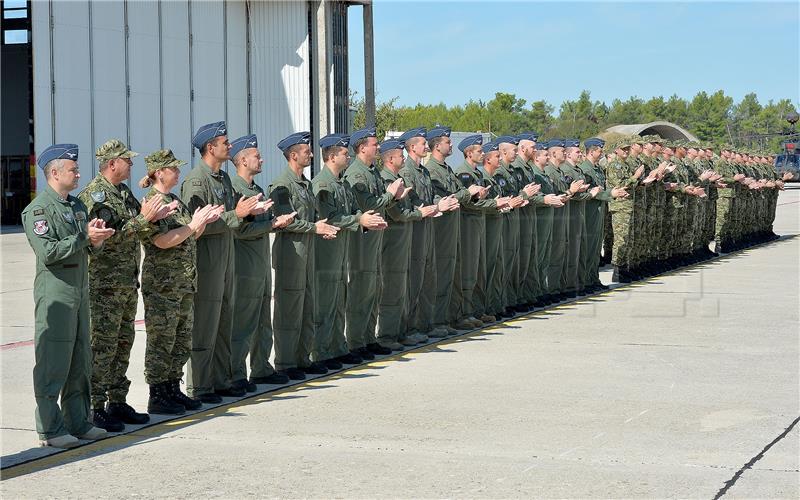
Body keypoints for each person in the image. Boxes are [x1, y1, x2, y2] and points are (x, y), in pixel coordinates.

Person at [22, 144, 115, 448]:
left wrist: (95, 238)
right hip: (56, 294)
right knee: (53, 362)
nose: (78, 174)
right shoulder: (38, 210)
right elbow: (48, 252)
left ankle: (78, 422)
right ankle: (50, 429)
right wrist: (84, 237)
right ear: (54, 172)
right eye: (73, 169)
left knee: (79, 361)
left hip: (79, 291)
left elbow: (84, 247)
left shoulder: (76, 206)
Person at [78, 139, 171, 431]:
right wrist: (144, 219)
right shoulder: (95, 195)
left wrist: (151, 214)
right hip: (104, 284)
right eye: (127, 161)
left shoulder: (122, 191)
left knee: (122, 343)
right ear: (112, 164)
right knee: (102, 346)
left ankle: (117, 401)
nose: (131, 165)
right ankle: (95, 407)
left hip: (125, 283)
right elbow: (108, 235)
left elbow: (137, 216)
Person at [180, 121, 265, 403]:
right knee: (205, 323)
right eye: (224, 143)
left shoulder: (224, 179)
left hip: (226, 258)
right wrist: (237, 215)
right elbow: (198, 225)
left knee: (224, 321)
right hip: (207, 259)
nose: (229, 146)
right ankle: (200, 386)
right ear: (210, 147)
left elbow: (230, 216)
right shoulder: (196, 181)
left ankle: (220, 379)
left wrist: (250, 212)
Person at [139, 149, 222, 414]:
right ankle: (158, 394)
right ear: (159, 172)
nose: (177, 172)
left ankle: (173, 388)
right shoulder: (152, 203)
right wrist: (192, 225)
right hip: (163, 284)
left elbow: (188, 237)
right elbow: (161, 241)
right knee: (162, 340)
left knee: (181, 338)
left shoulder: (175, 199)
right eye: (173, 168)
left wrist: (202, 222)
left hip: (184, 281)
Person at [269, 131, 340, 380]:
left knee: (307, 306)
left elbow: (308, 220)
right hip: (291, 254)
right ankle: (285, 362)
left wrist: (321, 230)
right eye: (306, 150)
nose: (311, 153)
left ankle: (302, 357)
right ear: (293, 155)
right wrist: (314, 228)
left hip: (307, 252)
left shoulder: (305, 185)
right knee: (289, 308)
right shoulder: (281, 185)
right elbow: (285, 221)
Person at [313, 133, 387, 364]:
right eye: (344, 153)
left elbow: (354, 210)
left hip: (340, 250)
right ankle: (322, 352)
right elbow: (331, 217)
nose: (348, 156)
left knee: (338, 300)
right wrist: (359, 221)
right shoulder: (322, 184)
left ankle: (337, 346)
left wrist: (363, 220)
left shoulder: (342, 183)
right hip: (327, 251)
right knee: (326, 303)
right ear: (333, 156)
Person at [229, 134, 295, 391]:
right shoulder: (237, 191)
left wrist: (275, 224)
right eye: (257, 156)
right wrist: (272, 223)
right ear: (243, 160)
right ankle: (235, 372)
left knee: (261, 320)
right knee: (243, 322)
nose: (261, 159)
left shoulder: (256, 190)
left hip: (260, 263)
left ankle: (261, 367)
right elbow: (239, 230)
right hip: (244, 264)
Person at [343, 128, 407, 358]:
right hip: (362, 239)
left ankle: (369, 338)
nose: (377, 147)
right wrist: (391, 195)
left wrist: (392, 196)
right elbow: (369, 203)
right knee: (361, 289)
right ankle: (356, 341)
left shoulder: (371, 172)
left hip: (375, 238)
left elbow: (381, 201)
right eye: (374, 144)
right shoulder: (356, 174)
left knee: (373, 290)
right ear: (362, 148)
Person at [377, 139, 437, 348]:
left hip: (404, 238)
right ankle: (386, 335)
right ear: (390, 159)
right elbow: (396, 213)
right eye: (400, 156)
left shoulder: (398, 178)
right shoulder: (386, 179)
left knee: (401, 288)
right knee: (392, 289)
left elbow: (408, 207)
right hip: (392, 240)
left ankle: (399, 331)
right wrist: (420, 212)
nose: (403, 158)